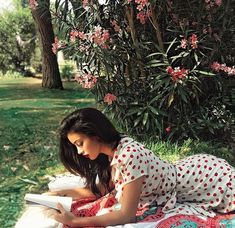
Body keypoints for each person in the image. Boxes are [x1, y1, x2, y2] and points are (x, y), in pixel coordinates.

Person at [50, 107, 235, 227]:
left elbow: (125, 215)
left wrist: (77, 222)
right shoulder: (111, 153)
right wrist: (60, 194)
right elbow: (101, 189)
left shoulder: (129, 156)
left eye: (80, 143)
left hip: (204, 178)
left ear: (96, 134)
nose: (79, 151)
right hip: (190, 173)